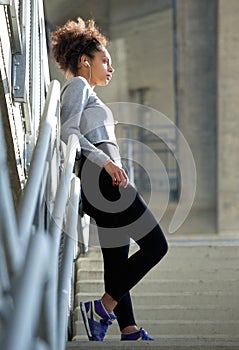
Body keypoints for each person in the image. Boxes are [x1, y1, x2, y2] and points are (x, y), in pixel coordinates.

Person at [51, 17, 168, 342]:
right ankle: (101, 309)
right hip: (101, 179)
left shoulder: (90, 93)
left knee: (117, 259)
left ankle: (127, 328)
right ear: (85, 61)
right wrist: (107, 164)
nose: (110, 68)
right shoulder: (78, 86)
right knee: (157, 245)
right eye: (105, 61)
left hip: (102, 179)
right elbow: (68, 134)